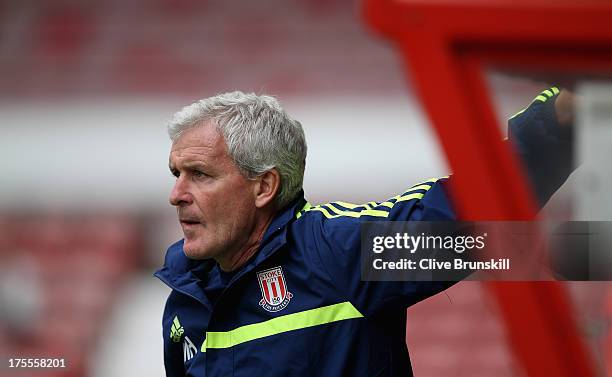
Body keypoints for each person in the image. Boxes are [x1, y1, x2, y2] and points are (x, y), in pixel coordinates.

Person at [155, 87, 575, 376]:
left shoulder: (334, 254)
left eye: (200, 175)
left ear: (264, 187)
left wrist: (560, 119)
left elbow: (466, 212)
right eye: (177, 174)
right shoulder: (185, 293)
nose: (176, 194)